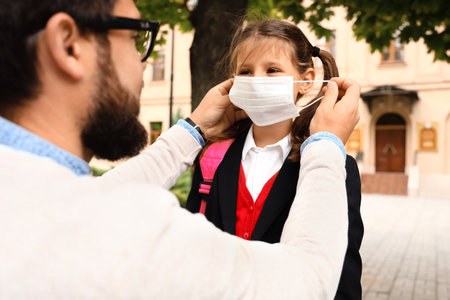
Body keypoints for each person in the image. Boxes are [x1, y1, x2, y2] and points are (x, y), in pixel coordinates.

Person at [0, 0, 360, 298]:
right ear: (68, 45)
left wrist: (192, 131)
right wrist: (326, 143)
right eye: (135, 38)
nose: (144, 67)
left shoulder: (32, 199)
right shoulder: (136, 235)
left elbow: (93, 198)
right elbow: (309, 281)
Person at [186, 19, 364, 300]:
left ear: (305, 81)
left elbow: (342, 270)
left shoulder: (330, 165)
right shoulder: (212, 156)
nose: (256, 81)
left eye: (272, 70)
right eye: (246, 71)